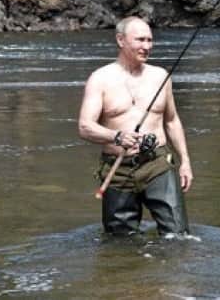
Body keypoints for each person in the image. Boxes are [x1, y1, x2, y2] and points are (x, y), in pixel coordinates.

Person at [78, 16, 193, 235]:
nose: (147, 46)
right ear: (121, 40)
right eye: (140, 40)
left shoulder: (161, 77)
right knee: (119, 242)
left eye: (150, 40)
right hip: (116, 169)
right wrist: (117, 137)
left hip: (157, 163)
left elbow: (171, 120)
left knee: (178, 235)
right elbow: (85, 127)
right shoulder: (100, 79)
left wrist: (185, 162)